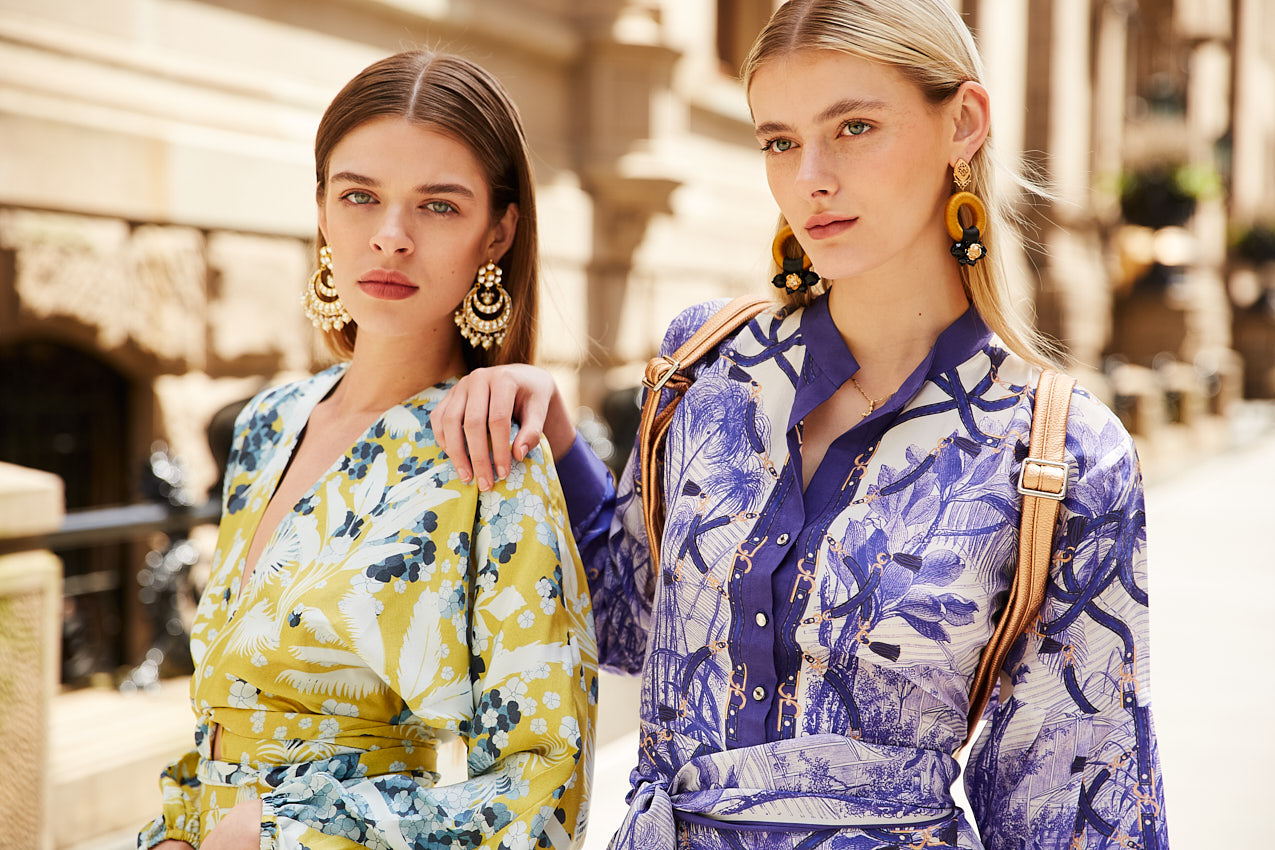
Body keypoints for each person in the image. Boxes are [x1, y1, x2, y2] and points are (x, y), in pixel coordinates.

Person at [430, 1, 1170, 848]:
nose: (809, 176)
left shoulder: (1061, 450)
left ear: (962, 123)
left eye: (852, 127)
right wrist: (554, 434)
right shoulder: (702, 367)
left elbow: (1076, 802)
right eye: (778, 140)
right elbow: (627, 619)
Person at [139, 50, 597, 850]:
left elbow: (542, 792)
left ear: (498, 231)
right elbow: (231, 710)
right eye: (360, 197)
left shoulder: (492, 454)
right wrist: (182, 831)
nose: (390, 238)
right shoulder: (269, 421)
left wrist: (277, 834)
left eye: (439, 207)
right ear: (321, 209)